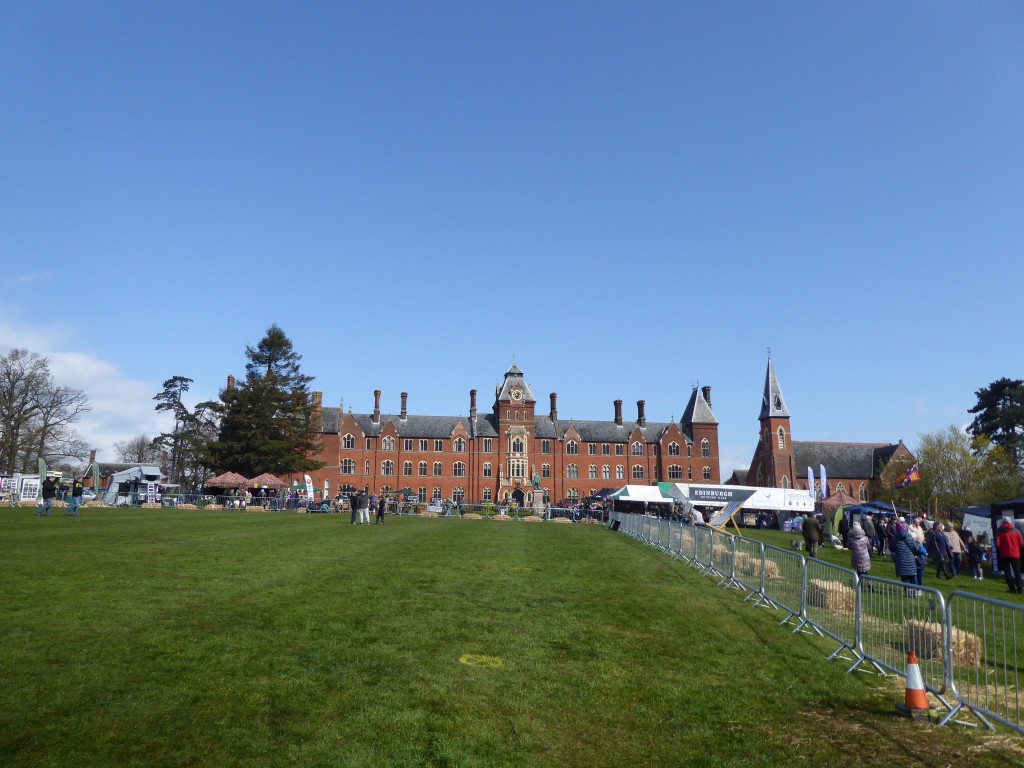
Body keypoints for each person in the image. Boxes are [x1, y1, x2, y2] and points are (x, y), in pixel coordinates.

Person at [890, 520, 920, 594]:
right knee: (912, 577)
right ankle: (915, 592)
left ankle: (908, 592)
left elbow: (891, 548)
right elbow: (915, 548)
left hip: (901, 561)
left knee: (904, 578)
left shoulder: (895, 539)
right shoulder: (909, 537)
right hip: (910, 560)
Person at [995, 518, 1023, 594]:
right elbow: (1021, 543)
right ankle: (1020, 589)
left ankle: (1012, 589)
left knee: (1007, 572)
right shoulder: (1016, 531)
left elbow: (997, 544)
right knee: (1017, 572)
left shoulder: (999, 531)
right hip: (1015, 554)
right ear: (1010, 522)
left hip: (1004, 554)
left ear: (1003, 522)